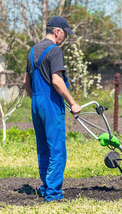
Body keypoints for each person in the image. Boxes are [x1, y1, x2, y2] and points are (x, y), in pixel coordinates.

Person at [23, 16, 81, 202]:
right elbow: (57, 81)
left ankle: (46, 186)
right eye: (64, 35)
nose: (64, 39)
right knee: (57, 148)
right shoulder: (55, 51)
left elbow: (26, 82)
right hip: (50, 103)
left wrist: (36, 101)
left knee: (43, 148)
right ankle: (54, 193)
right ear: (58, 32)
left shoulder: (32, 51)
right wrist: (72, 103)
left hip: (36, 102)